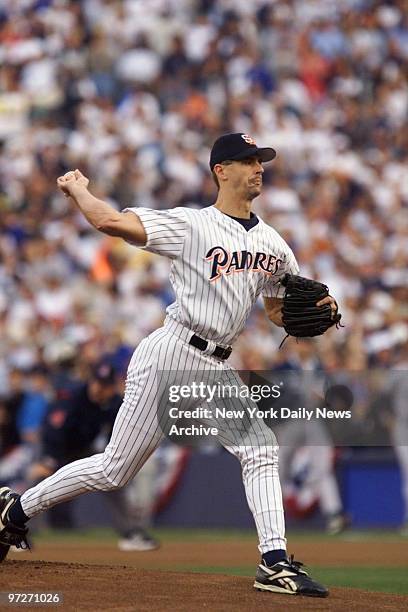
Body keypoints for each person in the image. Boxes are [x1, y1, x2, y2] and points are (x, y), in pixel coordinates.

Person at [0, 133, 338, 597]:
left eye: (261, 160)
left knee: (260, 448)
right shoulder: (191, 225)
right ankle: (16, 511)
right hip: (171, 353)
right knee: (115, 469)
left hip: (217, 365)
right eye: (247, 161)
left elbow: (280, 312)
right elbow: (110, 222)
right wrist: (79, 189)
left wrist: (318, 309)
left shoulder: (274, 244)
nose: (258, 168)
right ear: (221, 170)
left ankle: (275, 562)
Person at [26, 361, 159, 551]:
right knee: (39, 478)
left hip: (83, 450)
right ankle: (18, 530)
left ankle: (130, 533)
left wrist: (113, 458)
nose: (99, 389)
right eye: (97, 383)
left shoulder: (114, 403)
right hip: (57, 449)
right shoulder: (72, 396)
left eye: (105, 385)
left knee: (114, 476)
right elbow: (52, 430)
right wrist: (48, 459)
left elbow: (117, 434)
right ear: (91, 381)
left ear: (111, 387)